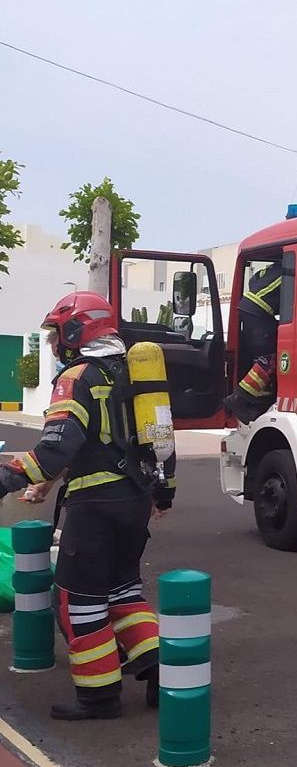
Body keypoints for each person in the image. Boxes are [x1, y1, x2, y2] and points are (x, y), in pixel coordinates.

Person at [0, 292, 174, 720]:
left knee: (79, 601)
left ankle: (98, 697)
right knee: (124, 591)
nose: (55, 344)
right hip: (135, 501)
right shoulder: (132, 374)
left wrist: (8, 476)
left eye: (57, 334)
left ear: (77, 331)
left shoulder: (76, 378)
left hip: (96, 507)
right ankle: (161, 676)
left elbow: (56, 450)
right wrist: (163, 491)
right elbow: (159, 440)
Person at [224, 261, 283, 424]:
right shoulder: (290, 269)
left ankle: (256, 401)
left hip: (247, 306)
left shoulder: (272, 268)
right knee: (269, 361)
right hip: (259, 310)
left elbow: (254, 278)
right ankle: (239, 399)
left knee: (261, 357)